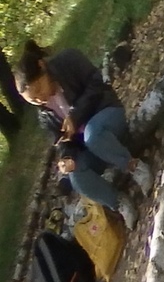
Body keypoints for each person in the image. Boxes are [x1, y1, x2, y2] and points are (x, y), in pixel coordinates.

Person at [14, 41, 151, 222]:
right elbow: (62, 141)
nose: (41, 99)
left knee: (92, 135)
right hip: (91, 147)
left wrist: (75, 115)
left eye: (39, 89)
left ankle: (135, 167)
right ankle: (119, 203)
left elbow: (97, 84)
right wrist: (67, 158)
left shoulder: (69, 60)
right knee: (75, 176)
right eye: (34, 100)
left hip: (108, 115)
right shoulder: (44, 114)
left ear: (42, 66)